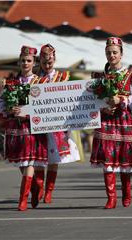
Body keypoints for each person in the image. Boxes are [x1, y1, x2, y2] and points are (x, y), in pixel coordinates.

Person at [90, 37, 132, 209]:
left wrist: (121, 99)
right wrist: (103, 107)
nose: (111, 55)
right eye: (108, 53)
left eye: (115, 52)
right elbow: (93, 100)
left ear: (121, 54)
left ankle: (126, 193)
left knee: (123, 158)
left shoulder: (131, 75)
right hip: (106, 120)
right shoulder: (100, 77)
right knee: (107, 158)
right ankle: (111, 197)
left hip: (123, 120)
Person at [0, 45, 48, 211]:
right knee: (21, 163)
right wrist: (9, 109)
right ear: (19, 62)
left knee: (30, 161)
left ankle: (22, 199)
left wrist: (27, 111)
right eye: (23, 60)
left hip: (33, 128)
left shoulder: (41, 82)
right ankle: (34, 187)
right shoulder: (12, 82)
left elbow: (47, 105)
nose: (25, 63)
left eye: (29, 60)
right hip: (15, 128)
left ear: (34, 63)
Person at [29, 44, 81, 206]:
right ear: (40, 61)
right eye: (44, 62)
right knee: (39, 157)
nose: (47, 64)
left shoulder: (63, 76)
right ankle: (39, 188)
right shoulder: (34, 77)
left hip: (57, 124)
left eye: (50, 61)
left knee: (53, 159)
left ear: (54, 60)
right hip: (38, 122)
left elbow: (70, 99)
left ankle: (49, 191)